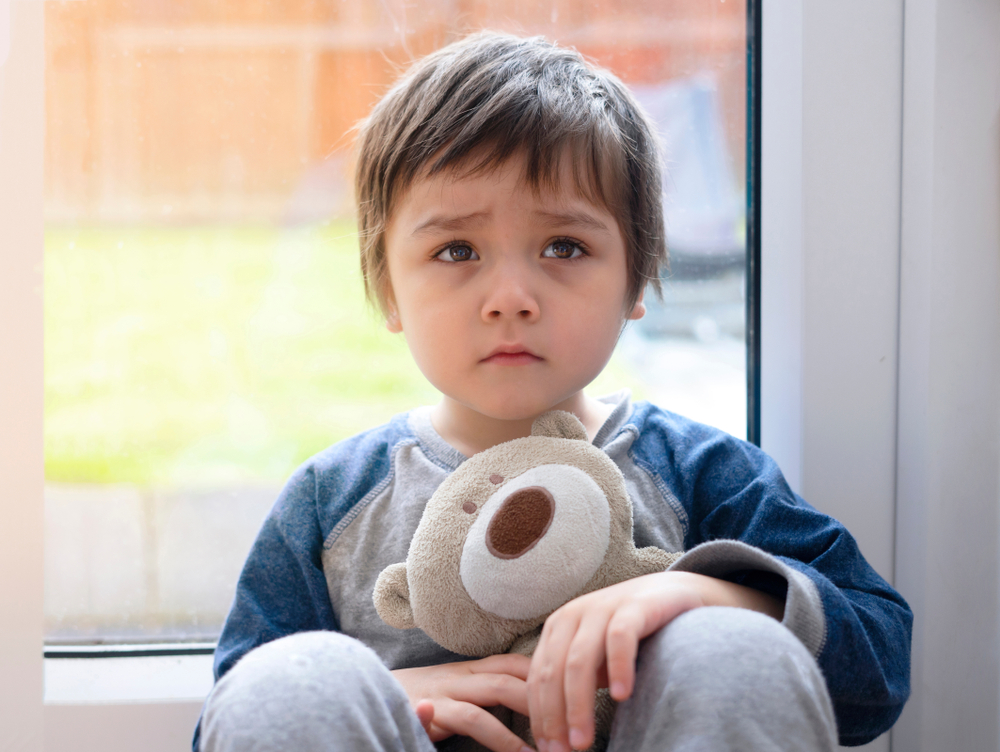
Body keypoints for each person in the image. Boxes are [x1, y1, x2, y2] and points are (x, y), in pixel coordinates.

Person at [194, 31, 911, 752]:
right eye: (456, 251)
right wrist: (390, 694)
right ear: (388, 288)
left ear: (637, 278)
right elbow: (237, 715)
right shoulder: (331, 503)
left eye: (564, 247)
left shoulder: (701, 477)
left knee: (733, 646)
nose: (510, 298)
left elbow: (878, 667)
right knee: (293, 682)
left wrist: (706, 593)